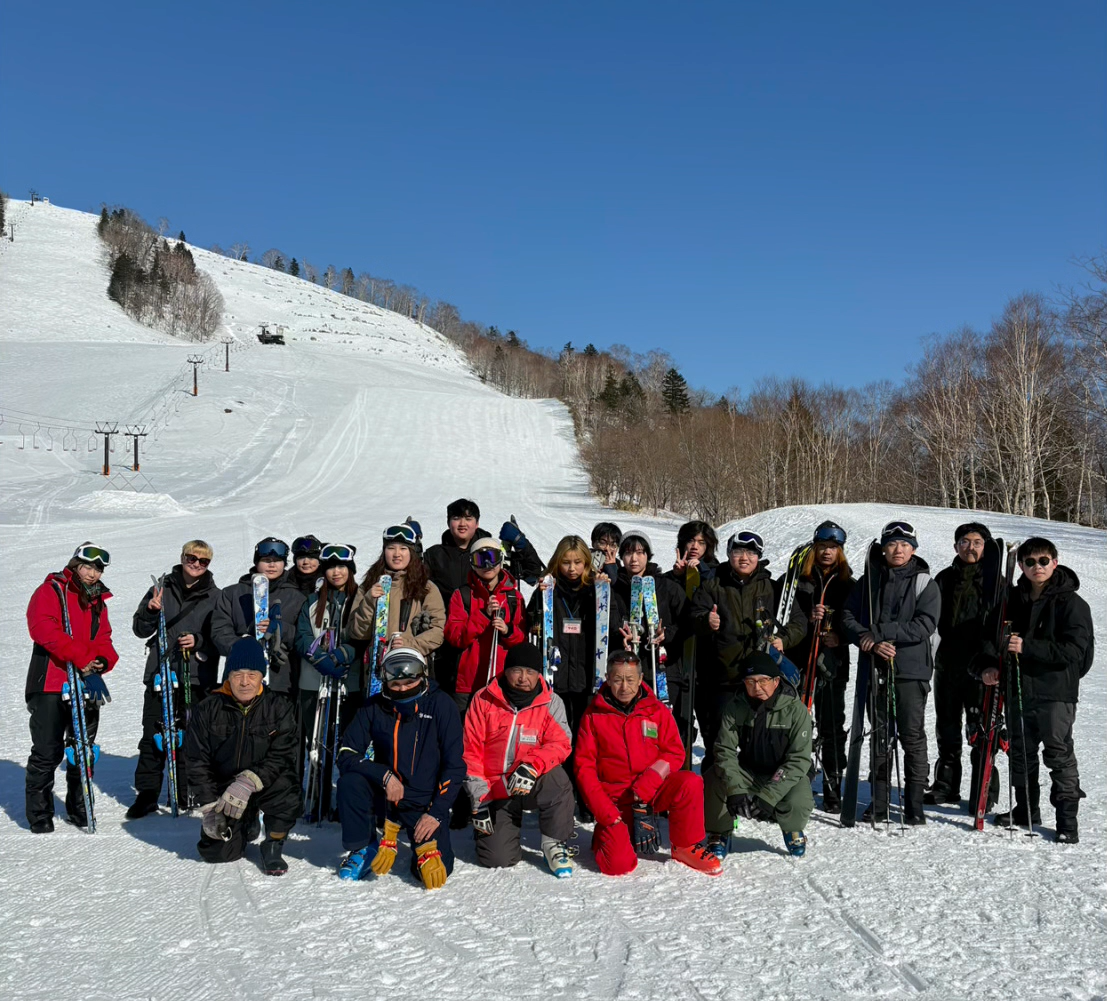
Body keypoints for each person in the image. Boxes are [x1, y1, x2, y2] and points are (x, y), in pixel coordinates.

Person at [983, 537, 1093, 843]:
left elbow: (1074, 650)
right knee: (1020, 752)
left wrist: (1027, 646)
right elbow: (990, 641)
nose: (1037, 567)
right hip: (1018, 688)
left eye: (1043, 561)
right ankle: (1025, 809)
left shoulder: (1071, 603)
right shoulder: (1013, 599)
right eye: (1030, 562)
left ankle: (1066, 821)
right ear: (1021, 566)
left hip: (1055, 692)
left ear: (1054, 563)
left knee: (1058, 753)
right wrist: (987, 666)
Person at [574, 651, 721, 876]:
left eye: (630, 679)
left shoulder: (656, 710)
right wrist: (606, 814)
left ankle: (686, 846)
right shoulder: (593, 716)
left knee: (689, 782)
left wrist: (649, 782)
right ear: (607, 678)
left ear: (641, 679)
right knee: (619, 866)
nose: (624, 686)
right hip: (616, 801)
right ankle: (607, 835)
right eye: (617, 679)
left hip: (651, 793)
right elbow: (584, 770)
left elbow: (674, 752)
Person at [334, 648, 465, 887]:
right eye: (396, 683)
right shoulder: (373, 706)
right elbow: (346, 754)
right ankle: (364, 846)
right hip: (387, 797)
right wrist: (383, 775)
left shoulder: (441, 705)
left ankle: (417, 843)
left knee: (434, 873)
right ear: (385, 681)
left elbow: (455, 767)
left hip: (424, 803)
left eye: (409, 681)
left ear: (422, 676)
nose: (403, 688)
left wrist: (436, 812)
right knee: (350, 782)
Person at [840, 520, 940, 825]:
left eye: (905, 545)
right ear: (883, 547)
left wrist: (880, 634)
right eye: (892, 544)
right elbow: (847, 616)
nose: (898, 550)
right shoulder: (868, 582)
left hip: (910, 670)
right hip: (876, 668)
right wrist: (866, 641)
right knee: (879, 736)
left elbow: (925, 625)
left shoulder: (925, 583)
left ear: (913, 549)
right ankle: (879, 802)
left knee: (912, 736)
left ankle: (913, 804)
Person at [526, 535, 628, 817]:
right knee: (559, 738)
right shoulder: (548, 591)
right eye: (566, 563)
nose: (572, 569)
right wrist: (536, 616)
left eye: (578, 563)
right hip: (555, 679)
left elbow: (614, 626)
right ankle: (560, 795)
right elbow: (530, 622)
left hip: (588, 678)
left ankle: (586, 796)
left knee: (585, 741)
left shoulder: (597, 590)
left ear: (587, 563)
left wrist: (605, 589)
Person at [183, 637, 301, 874]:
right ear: (228, 675)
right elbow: (196, 760)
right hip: (225, 789)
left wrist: (248, 782)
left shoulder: (279, 707)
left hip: (262, 782)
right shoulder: (207, 708)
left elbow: (283, 754)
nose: (245, 682)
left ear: (261, 677)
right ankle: (245, 821)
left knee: (288, 790)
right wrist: (208, 807)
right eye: (237, 674)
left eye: (252, 674)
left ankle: (273, 845)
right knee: (216, 853)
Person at [690, 530, 806, 770]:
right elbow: (694, 616)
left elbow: (798, 623)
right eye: (738, 551)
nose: (744, 557)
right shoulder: (713, 585)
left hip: (761, 682)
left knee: (760, 744)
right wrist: (706, 621)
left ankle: (757, 797)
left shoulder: (772, 589)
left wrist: (783, 639)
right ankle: (716, 800)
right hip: (722, 680)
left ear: (759, 556)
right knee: (719, 744)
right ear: (729, 554)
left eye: (751, 552)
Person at [25, 543, 118, 833]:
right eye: (87, 567)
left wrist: (103, 659)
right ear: (75, 565)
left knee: (83, 750)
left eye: (97, 569)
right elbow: (43, 629)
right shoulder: (52, 591)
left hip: (87, 682)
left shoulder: (97, 600)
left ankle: (79, 807)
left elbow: (104, 637)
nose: (92, 574)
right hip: (51, 682)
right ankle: (39, 813)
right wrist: (83, 657)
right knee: (48, 751)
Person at [463, 644, 577, 876]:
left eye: (531, 672)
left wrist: (532, 765)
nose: (524, 678)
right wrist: (479, 799)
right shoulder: (483, 700)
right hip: (495, 789)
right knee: (497, 858)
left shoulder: (550, 702)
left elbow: (561, 743)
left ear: (539, 674)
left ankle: (554, 842)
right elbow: (469, 752)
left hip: (529, 781)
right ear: (506, 671)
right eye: (517, 671)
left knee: (557, 779)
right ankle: (494, 829)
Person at [127, 540, 221, 819]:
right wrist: (151, 611)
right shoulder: (161, 587)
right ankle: (147, 794)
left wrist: (200, 640)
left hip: (195, 674)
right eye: (191, 558)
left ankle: (185, 791)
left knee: (190, 736)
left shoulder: (215, 596)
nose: (196, 564)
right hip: (161, 671)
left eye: (203, 561)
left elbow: (220, 636)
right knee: (154, 734)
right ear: (182, 557)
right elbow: (139, 629)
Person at [703, 652, 814, 858]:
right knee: (713, 777)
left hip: (782, 772)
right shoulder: (735, 707)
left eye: (763, 681)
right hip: (749, 770)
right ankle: (720, 831)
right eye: (751, 681)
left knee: (799, 799)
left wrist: (769, 796)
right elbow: (725, 750)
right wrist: (735, 789)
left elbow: (799, 759)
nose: (757, 688)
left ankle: (792, 828)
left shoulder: (795, 710)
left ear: (776, 681)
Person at [425, 499, 541, 693]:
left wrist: (521, 543)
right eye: (456, 518)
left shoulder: (492, 551)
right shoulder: (435, 555)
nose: (462, 523)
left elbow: (533, 571)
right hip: (452, 644)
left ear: (477, 523)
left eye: (468, 518)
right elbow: (416, 582)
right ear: (448, 522)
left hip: (492, 648)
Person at [927, 522, 1000, 808]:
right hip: (948, 663)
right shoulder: (944, 578)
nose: (971, 547)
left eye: (977, 542)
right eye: (965, 542)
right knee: (946, 728)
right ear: (956, 546)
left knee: (979, 730)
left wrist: (992, 660)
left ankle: (984, 791)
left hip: (981, 668)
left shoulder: (996, 581)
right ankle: (945, 786)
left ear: (986, 546)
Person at [294, 544, 365, 821]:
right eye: (331, 567)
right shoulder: (312, 601)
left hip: (350, 684)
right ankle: (318, 798)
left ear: (350, 570)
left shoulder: (359, 599)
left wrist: (346, 652)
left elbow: (367, 633)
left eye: (342, 567)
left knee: (346, 744)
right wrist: (318, 656)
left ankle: (346, 801)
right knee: (318, 742)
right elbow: (301, 635)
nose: (337, 572)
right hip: (314, 683)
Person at [788, 521, 854, 812]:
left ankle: (832, 785)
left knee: (831, 725)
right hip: (799, 660)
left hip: (832, 662)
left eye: (833, 548)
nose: (827, 552)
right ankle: (794, 781)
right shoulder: (796, 581)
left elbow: (857, 623)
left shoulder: (849, 584)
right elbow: (785, 616)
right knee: (797, 723)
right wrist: (807, 615)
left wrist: (839, 634)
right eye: (823, 547)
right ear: (814, 548)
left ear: (840, 552)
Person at [211, 537, 306, 697]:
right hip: (240, 679)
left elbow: (303, 636)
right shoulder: (232, 594)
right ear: (256, 562)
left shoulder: (297, 598)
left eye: (277, 560)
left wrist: (281, 630)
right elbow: (219, 630)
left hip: (280, 680)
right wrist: (243, 647)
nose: (272, 565)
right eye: (266, 560)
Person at [443, 538, 528, 714]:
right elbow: (455, 636)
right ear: (472, 563)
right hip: (468, 683)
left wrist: (507, 631)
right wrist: (483, 615)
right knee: (467, 733)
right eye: (480, 559)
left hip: (502, 680)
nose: (487, 565)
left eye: (492, 557)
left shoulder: (513, 597)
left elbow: (522, 640)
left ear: (501, 560)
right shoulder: (463, 595)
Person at [349, 524, 446, 672]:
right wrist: (369, 602)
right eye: (391, 548)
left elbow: (438, 631)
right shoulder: (368, 586)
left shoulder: (426, 587)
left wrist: (410, 644)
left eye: (403, 548)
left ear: (411, 552)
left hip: (412, 668)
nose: (396, 554)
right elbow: (358, 633)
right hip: (376, 671)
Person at [665, 521, 720, 757]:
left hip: (710, 662)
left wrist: (704, 574)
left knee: (712, 729)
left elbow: (721, 597)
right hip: (680, 660)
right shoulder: (674, 574)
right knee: (678, 725)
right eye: (691, 541)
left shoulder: (718, 572)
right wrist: (678, 577)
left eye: (701, 542)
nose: (695, 546)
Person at [614, 530, 686, 699]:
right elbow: (610, 623)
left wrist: (666, 634)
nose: (634, 559)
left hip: (663, 669)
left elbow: (686, 623)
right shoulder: (614, 590)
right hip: (627, 671)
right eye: (628, 553)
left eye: (640, 553)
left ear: (648, 555)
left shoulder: (668, 588)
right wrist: (621, 635)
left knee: (661, 722)